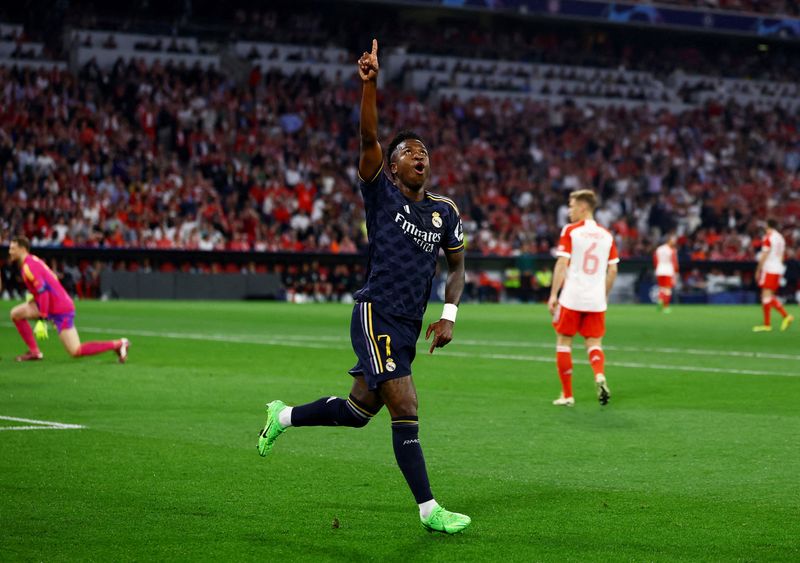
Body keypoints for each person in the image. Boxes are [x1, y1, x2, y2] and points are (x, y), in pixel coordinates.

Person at [256, 40, 471, 534]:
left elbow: (458, 268)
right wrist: (370, 85)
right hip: (375, 313)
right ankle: (429, 510)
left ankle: (281, 416)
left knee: (358, 411)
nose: (420, 157)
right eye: (409, 152)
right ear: (392, 165)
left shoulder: (445, 212)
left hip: (409, 323)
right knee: (407, 405)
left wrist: (450, 314)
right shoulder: (380, 194)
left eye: (425, 153)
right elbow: (367, 136)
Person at [548, 190, 619, 407]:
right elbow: (613, 270)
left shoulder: (571, 231)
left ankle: (567, 395)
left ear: (583, 207)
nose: (569, 210)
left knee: (563, 342)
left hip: (572, 297)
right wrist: (603, 295)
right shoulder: (607, 235)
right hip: (596, 299)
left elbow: (562, 264)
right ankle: (599, 375)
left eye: (571, 206)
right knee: (594, 343)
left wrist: (553, 294)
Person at [8, 236, 130, 362]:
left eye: (13, 248)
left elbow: (43, 292)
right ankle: (35, 352)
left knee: (75, 350)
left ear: (22, 249)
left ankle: (119, 343)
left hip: (60, 309)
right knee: (16, 314)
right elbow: (51, 280)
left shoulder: (29, 266)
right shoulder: (32, 261)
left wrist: (42, 320)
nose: (9, 251)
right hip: (50, 304)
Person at [753, 219, 794, 332]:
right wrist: (780, 269)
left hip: (769, 268)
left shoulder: (768, 237)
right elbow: (781, 255)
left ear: (767, 225)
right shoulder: (780, 238)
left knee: (766, 296)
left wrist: (758, 270)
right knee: (767, 295)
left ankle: (783, 317)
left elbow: (764, 255)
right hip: (778, 269)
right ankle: (768, 324)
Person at [653, 235, 679, 313]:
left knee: (661, 288)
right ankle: (665, 307)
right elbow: (674, 262)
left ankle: (660, 300)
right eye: (673, 240)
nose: (674, 242)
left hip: (659, 270)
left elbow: (655, 260)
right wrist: (676, 273)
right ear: (669, 240)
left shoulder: (659, 249)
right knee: (667, 289)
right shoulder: (672, 250)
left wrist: (657, 268)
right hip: (668, 270)